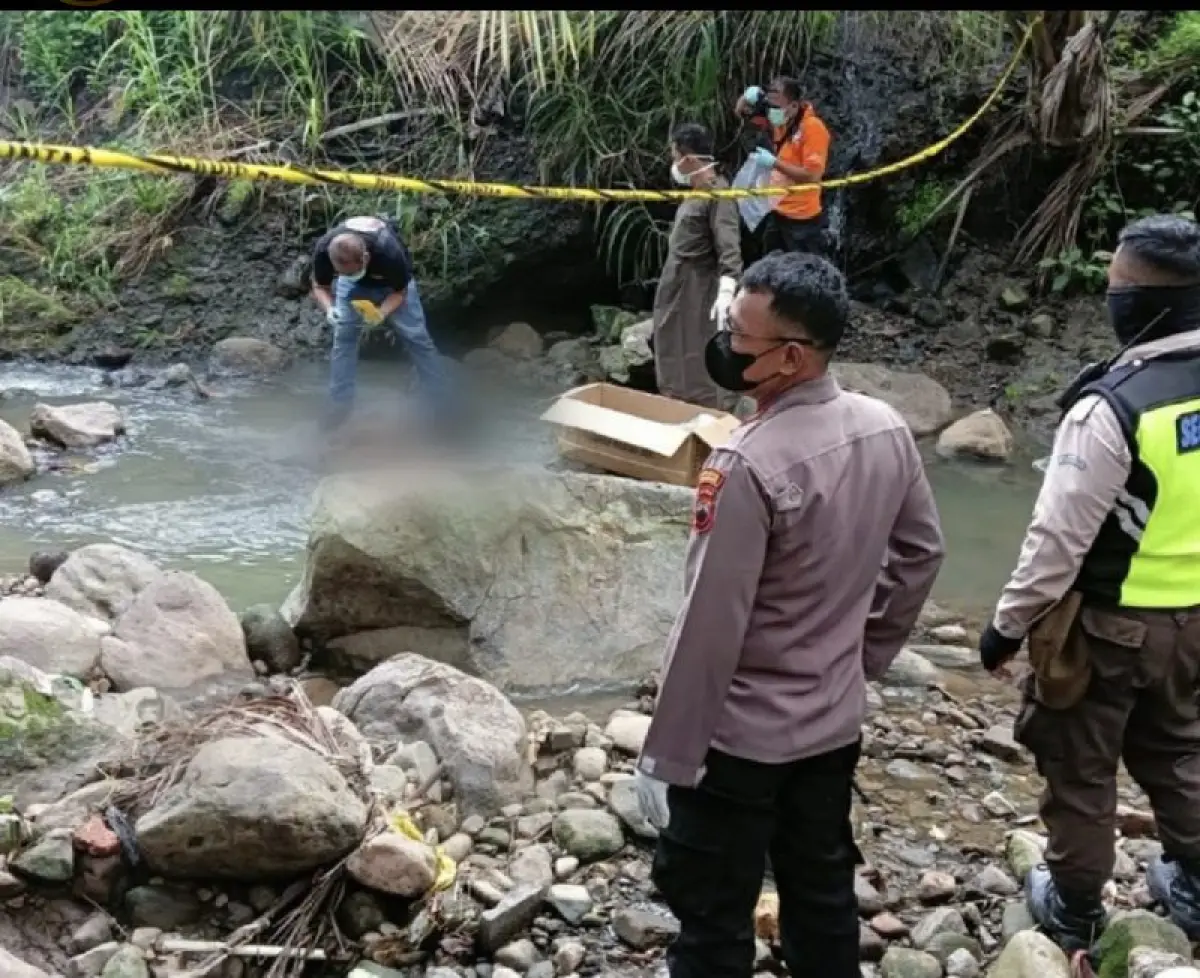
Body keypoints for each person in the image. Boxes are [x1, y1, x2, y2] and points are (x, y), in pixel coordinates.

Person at [634, 251, 946, 978]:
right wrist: (863, 659)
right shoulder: (884, 427)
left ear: (792, 356)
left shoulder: (745, 464)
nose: (725, 343)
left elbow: (711, 626)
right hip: (832, 726)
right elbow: (921, 555)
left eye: (739, 335)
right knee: (822, 892)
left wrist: (666, 755)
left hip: (740, 742)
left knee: (712, 914)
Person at [978, 214, 1200, 959]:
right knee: (1177, 751)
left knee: (1078, 764)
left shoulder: (1113, 408)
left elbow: (1056, 542)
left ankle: (1073, 908)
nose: (1110, 295)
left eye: (1116, 286)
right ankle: (1196, 885)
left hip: (1107, 627)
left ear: (1145, 303)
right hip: (1192, 620)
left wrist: (1006, 627)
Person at [309, 215, 452, 433]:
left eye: (353, 271)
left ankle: (441, 405)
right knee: (343, 340)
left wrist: (382, 313)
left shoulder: (389, 252)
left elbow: (400, 292)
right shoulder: (324, 250)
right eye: (342, 273)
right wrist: (330, 308)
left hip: (391, 286)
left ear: (366, 257)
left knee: (417, 339)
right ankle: (339, 405)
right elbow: (320, 286)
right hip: (350, 289)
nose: (350, 275)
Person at [653, 122, 744, 410]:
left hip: (699, 291)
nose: (673, 164)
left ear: (689, 159)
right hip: (677, 288)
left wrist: (727, 289)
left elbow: (729, 246)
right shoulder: (697, 192)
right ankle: (676, 407)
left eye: (675, 156)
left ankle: (710, 414)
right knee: (673, 350)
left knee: (699, 354)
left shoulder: (718, 195)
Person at [736, 78, 831, 258]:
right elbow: (741, 112)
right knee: (771, 265)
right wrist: (747, 97)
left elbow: (812, 176)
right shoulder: (781, 119)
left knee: (803, 269)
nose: (771, 112)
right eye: (769, 106)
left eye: (775, 107)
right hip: (777, 212)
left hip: (802, 220)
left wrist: (774, 163)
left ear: (794, 106)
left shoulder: (813, 128)